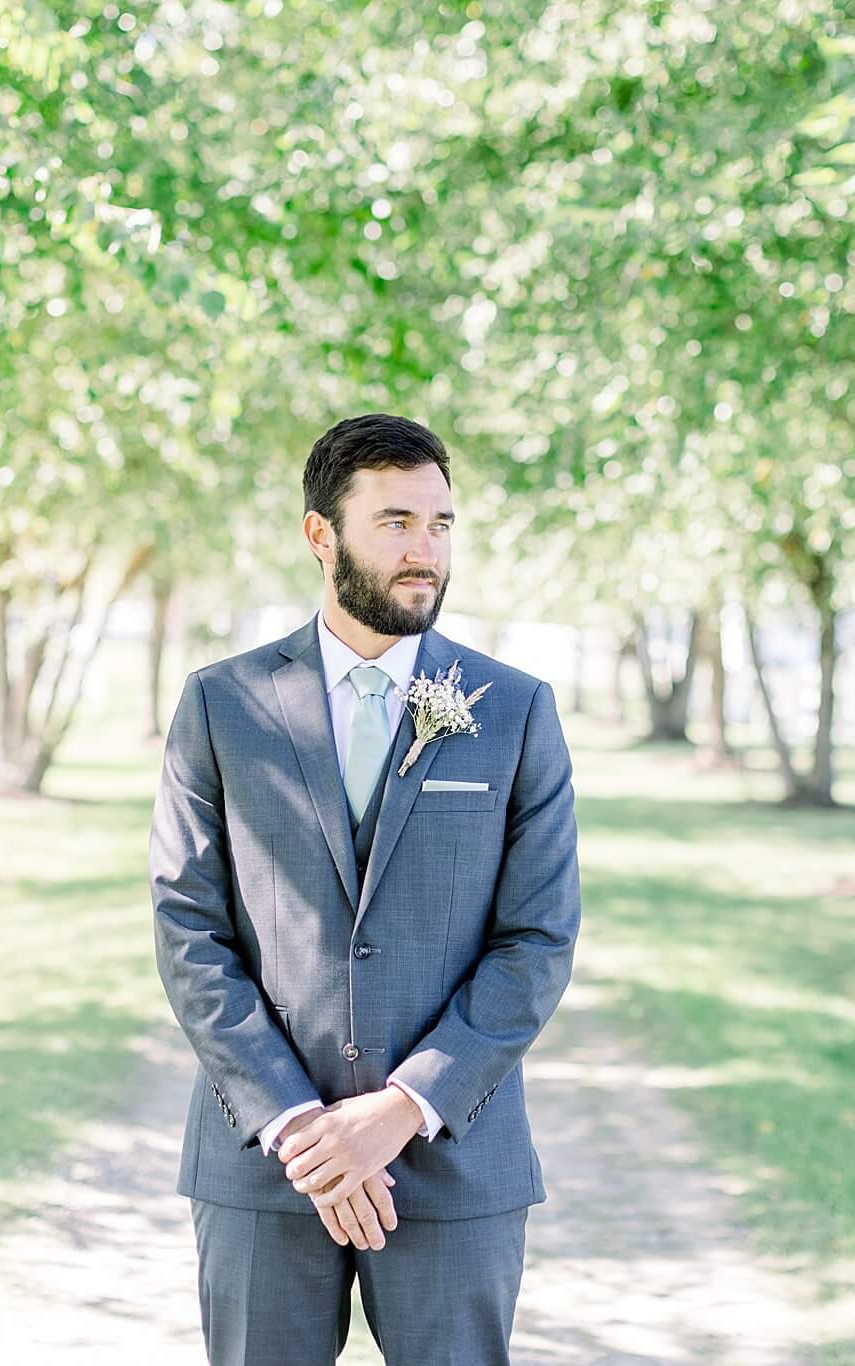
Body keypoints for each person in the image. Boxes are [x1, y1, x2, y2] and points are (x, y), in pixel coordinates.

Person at [150, 413, 582, 1364]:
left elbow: (538, 938)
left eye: (440, 523)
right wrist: (300, 1123)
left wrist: (399, 1110)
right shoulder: (222, 705)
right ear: (321, 535)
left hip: (450, 1159)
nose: (424, 550)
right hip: (266, 1164)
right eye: (394, 522)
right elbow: (189, 928)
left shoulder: (513, 710)